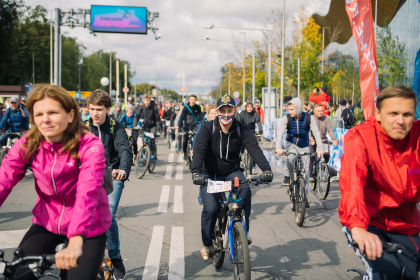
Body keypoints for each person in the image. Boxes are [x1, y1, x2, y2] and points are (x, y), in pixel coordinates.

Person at [0, 84, 111, 280]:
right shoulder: (29, 143)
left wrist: (76, 240)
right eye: (39, 114)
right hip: (47, 223)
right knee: (18, 274)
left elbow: (87, 192)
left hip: (88, 228)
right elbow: (4, 179)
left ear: (70, 115)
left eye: (52, 112)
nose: (45, 120)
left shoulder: (89, 144)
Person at [339, 86, 420, 280]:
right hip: (368, 222)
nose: (400, 121)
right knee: (387, 274)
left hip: (405, 223)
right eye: (393, 113)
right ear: (378, 114)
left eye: (407, 114)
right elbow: (352, 184)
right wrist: (358, 228)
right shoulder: (360, 137)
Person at [191, 95, 273, 260]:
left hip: (231, 172)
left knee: (246, 192)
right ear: (218, 111)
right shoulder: (208, 129)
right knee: (212, 209)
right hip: (210, 175)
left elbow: (254, 149)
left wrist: (266, 169)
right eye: (223, 111)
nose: (226, 115)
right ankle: (207, 243)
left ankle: (242, 231)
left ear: (235, 111)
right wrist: (196, 172)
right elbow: (199, 151)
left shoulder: (241, 129)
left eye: (230, 111)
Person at [86, 90, 132, 280]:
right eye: (91, 109)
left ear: (108, 109)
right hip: (88, 179)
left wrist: (123, 168)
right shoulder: (82, 130)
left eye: (99, 109)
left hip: (112, 177)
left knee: (107, 215)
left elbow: (124, 150)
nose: (94, 113)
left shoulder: (116, 127)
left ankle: (115, 256)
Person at [275, 98, 323, 208]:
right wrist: (279, 147)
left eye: (292, 109)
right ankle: (287, 176)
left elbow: (316, 133)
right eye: (289, 109)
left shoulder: (308, 118)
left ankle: (304, 196)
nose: (290, 111)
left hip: (304, 145)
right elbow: (280, 133)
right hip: (291, 143)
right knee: (291, 158)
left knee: (306, 172)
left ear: (298, 108)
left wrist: (319, 148)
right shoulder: (286, 118)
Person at [308, 104, 339, 182]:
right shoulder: (311, 118)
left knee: (327, 155)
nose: (320, 112)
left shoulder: (327, 118)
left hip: (323, 140)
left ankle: (322, 168)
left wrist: (334, 139)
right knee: (311, 155)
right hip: (313, 141)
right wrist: (311, 138)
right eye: (318, 111)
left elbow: (330, 129)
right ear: (314, 111)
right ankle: (311, 175)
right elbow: (308, 130)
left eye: (322, 111)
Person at [237, 101, 264, 175]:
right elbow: (239, 122)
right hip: (244, 131)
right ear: (246, 108)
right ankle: (242, 155)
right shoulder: (242, 114)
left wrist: (260, 130)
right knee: (240, 145)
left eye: (251, 107)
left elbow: (258, 122)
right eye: (248, 107)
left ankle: (254, 167)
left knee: (254, 149)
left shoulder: (255, 114)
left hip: (252, 132)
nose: (250, 108)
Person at [133, 94, 160, 161]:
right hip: (144, 126)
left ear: (150, 100)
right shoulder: (141, 107)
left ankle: (153, 155)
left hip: (152, 126)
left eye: (148, 100)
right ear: (143, 101)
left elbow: (157, 119)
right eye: (145, 100)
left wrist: (158, 130)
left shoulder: (154, 107)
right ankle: (144, 155)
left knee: (152, 140)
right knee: (143, 141)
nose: (146, 102)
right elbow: (137, 116)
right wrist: (135, 125)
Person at [178, 95, 203, 160]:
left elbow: (201, 118)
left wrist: (203, 126)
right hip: (186, 126)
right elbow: (181, 118)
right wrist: (180, 129)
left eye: (193, 100)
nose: (192, 101)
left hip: (194, 126)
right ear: (189, 100)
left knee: (196, 139)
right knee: (185, 140)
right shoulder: (186, 107)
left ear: (195, 101)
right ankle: (185, 152)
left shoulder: (198, 107)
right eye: (191, 99)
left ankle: (193, 152)